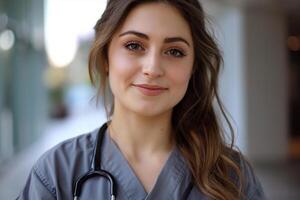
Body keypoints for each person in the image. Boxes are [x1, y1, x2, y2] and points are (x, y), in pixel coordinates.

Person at [18, 0, 266, 199]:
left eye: (174, 51)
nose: (153, 68)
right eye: (134, 45)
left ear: (193, 68)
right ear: (106, 58)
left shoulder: (232, 175)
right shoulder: (56, 173)